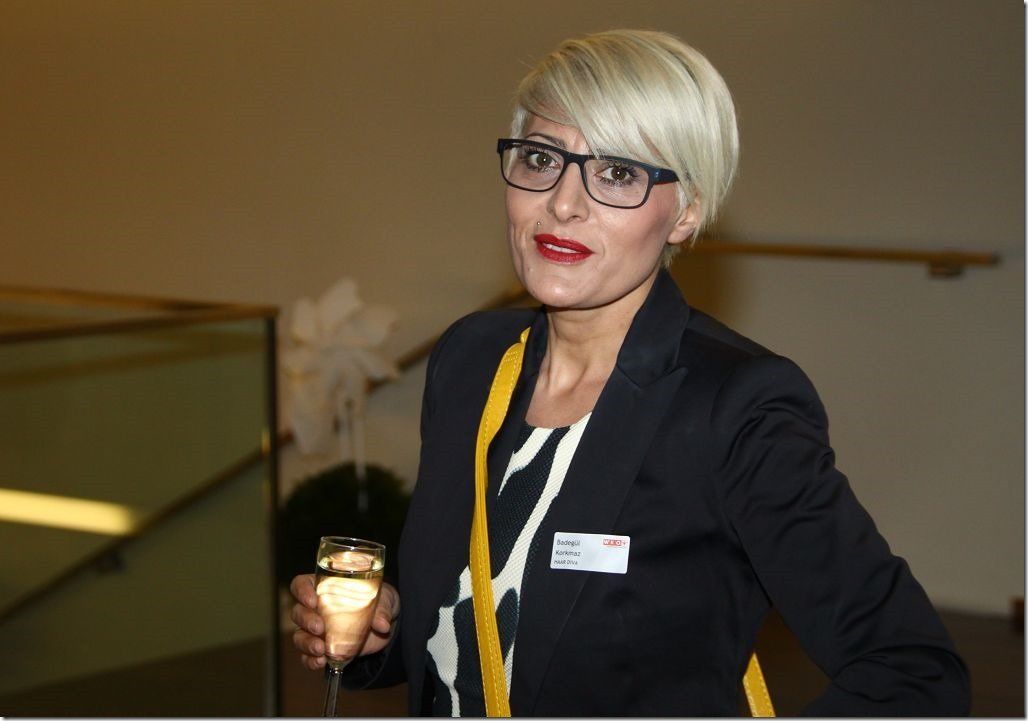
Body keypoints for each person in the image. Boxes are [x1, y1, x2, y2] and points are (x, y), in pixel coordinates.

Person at [290, 29, 970, 716]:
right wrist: (383, 625)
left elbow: (912, 670)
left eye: (617, 173)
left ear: (686, 212)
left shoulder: (736, 405)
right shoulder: (472, 359)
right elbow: (472, 612)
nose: (563, 202)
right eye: (541, 158)